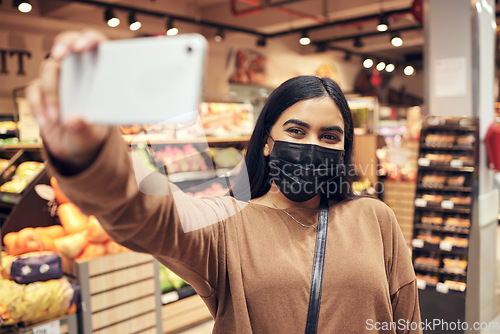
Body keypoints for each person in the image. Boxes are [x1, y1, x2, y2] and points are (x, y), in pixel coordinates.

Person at [26, 30, 422, 333]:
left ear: (344, 147)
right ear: (266, 142)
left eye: (329, 136)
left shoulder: (376, 220)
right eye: (297, 131)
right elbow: (148, 211)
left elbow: (408, 321)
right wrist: (92, 154)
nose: (312, 145)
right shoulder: (228, 225)